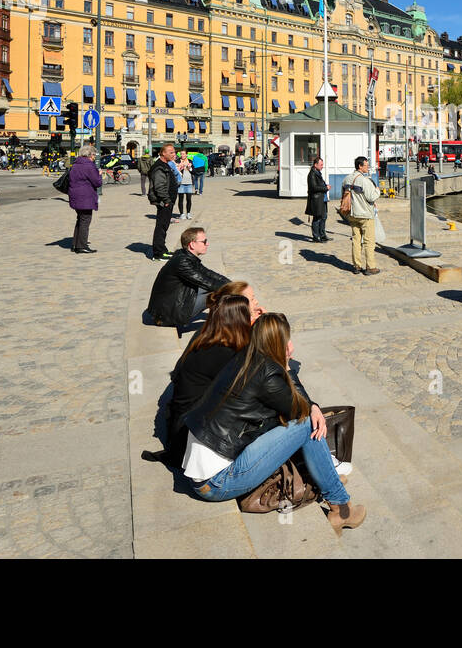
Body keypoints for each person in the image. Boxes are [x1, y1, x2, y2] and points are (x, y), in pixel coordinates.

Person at [181, 312, 365, 534]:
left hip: (205, 472)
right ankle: (341, 508)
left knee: (302, 422)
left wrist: (310, 405)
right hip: (217, 483)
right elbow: (301, 410)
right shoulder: (268, 375)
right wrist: (288, 369)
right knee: (307, 425)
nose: (292, 345)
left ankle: (328, 477)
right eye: (288, 339)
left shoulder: (245, 357)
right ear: (279, 343)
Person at [164, 293, 254, 468]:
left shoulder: (208, 340)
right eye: (248, 314)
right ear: (238, 320)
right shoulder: (224, 353)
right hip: (189, 438)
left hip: (181, 427)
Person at [148, 226, 228, 331]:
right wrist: (234, 289)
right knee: (219, 293)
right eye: (204, 241)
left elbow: (208, 273)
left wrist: (231, 283)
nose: (207, 244)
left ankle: (223, 319)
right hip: (165, 315)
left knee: (221, 287)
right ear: (192, 244)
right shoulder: (182, 262)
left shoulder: (185, 255)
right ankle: (230, 322)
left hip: (173, 301)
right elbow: (206, 282)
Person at [345, 155, 380, 275]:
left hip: (353, 214)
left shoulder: (347, 179)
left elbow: (344, 196)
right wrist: (377, 190)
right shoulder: (364, 181)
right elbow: (371, 197)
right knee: (369, 242)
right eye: (366, 165)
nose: (368, 167)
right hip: (365, 215)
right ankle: (370, 267)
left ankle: (357, 266)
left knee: (356, 240)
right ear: (360, 166)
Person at [67, 143, 103, 253]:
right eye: (93, 155)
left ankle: (75, 244)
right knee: (85, 221)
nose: (94, 157)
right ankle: (81, 246)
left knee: (80, 219)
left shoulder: (76, 164)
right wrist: (99, 174)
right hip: (85, 197)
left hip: (75, 195)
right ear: (89, 155)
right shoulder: (89, 165)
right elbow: (97, 182)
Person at [148, 144, 179, 259]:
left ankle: (162, 249)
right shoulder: (159, 167)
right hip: (164, 201)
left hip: (167, 201)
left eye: (174, 152)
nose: (174, 154)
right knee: (161, 226)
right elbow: (159, 186)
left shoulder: (165, 165)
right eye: (171, 152)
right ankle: (158, 253)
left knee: (163, 226)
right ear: (163, 153)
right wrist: (166, 200)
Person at [306, 156, 330, 242]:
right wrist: (325, 188)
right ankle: (316, 236)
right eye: (321, 165)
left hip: (322, 198)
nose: (322, 166)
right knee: (317, 218)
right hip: (316, 199)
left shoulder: (318, 172)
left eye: (322, 164)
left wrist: (325, 186)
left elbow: (319, 185)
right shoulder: (312, 174)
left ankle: (322, 235)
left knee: (324, 217)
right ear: (315, 165)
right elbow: (313, 187)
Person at [176, 154, 195, 220]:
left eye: (183, 154)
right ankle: (182, 214)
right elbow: (175, 171)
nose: (182, 155)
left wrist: (190, 168)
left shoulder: (190, 161)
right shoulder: (177, 161)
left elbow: (194, 171)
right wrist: (180, 166)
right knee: (181, 199)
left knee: (189, 199)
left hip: (189, 182)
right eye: (181, 154)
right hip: (181, 183)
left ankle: (188, 213)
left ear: (186, 155)